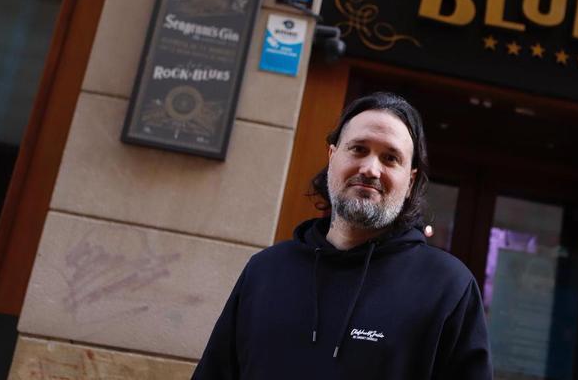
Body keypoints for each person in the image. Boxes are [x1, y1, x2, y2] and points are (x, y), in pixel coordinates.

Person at [192, 92, 491, 379]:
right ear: (332, 156)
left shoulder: (448, 288)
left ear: (410, 180)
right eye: (359, 149)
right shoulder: (265, 271)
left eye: (390, 158)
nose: (371, 169)